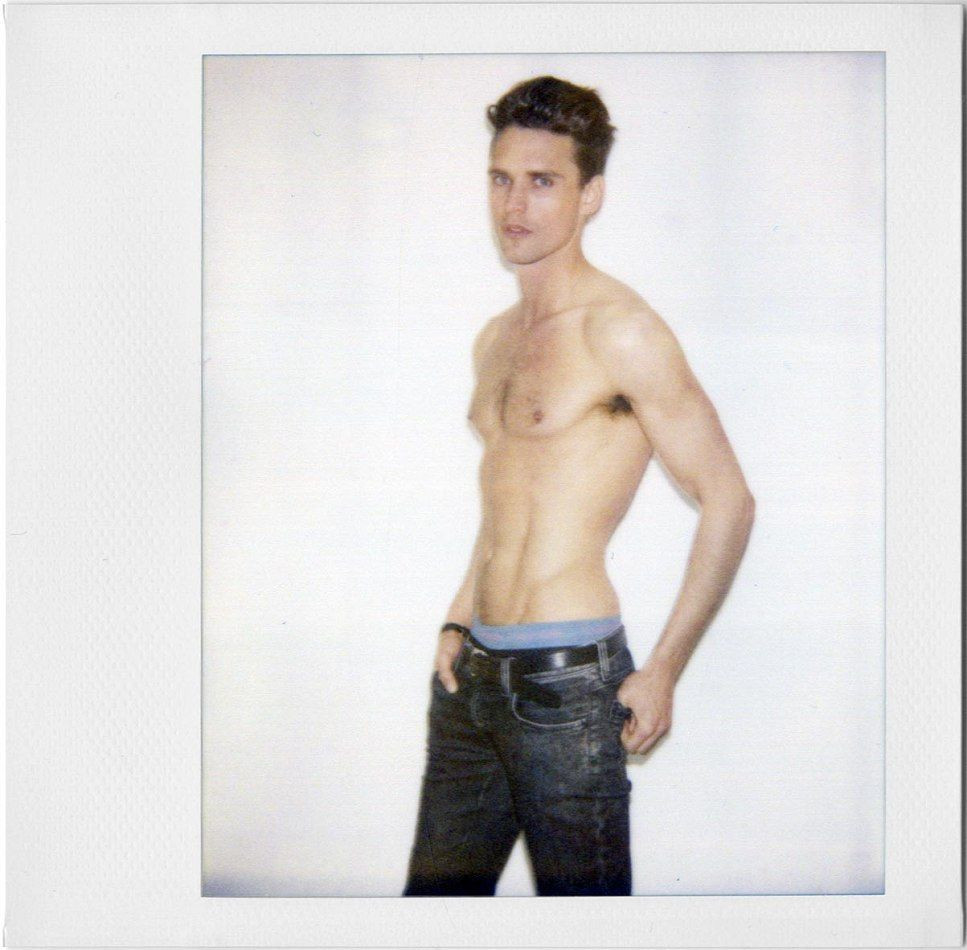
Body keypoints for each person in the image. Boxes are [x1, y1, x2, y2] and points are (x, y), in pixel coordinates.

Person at [403, 75, 755, 897]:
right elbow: (507, 503)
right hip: (468, 682)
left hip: (566, 686)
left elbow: (729, 500)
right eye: (500, 178)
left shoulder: (620, 330)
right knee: (431, 913)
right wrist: (457, 616)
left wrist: (663, 669)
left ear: (589, 194)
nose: (513, 204)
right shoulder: (494, 339)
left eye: (542, 181)